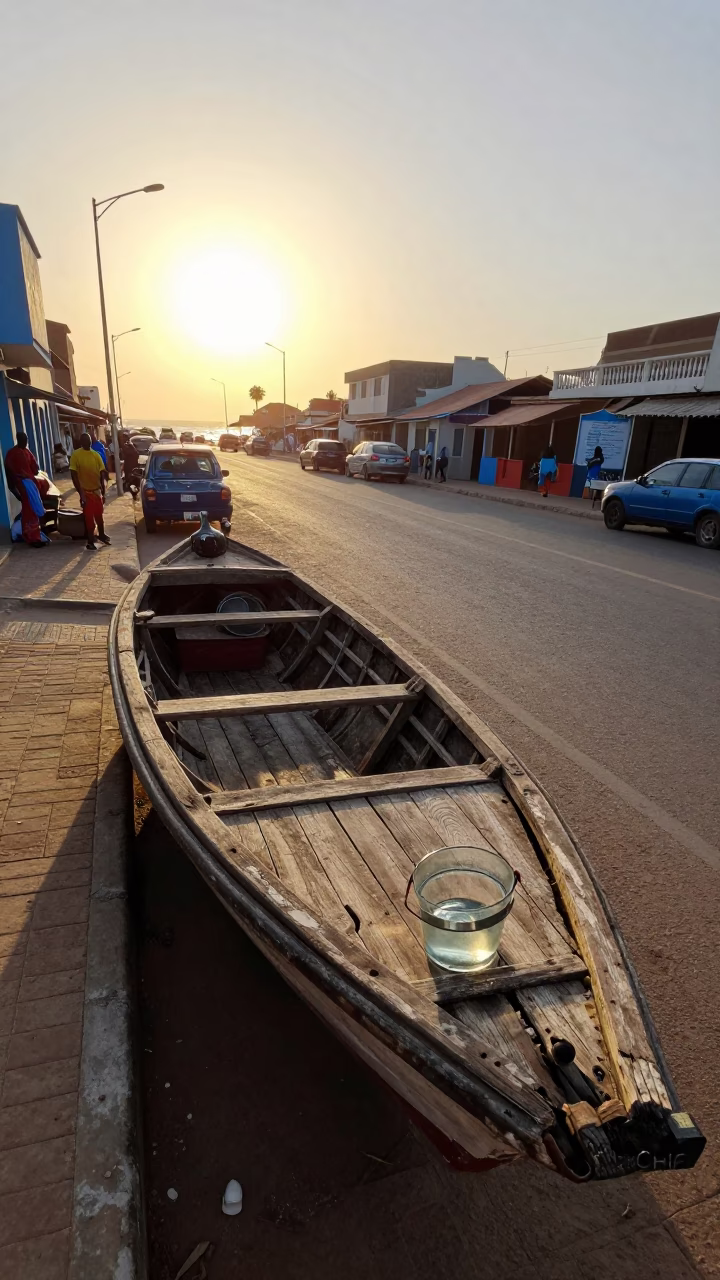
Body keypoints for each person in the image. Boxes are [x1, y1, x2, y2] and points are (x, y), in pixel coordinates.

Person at [4, 432, 50, 547]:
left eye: (26, 440)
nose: (25, 442)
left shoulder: (26, 452)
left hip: (31, 487)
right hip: (22, 487)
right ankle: (32, 539)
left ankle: (35, 536)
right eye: (23, 440)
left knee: (32, 512)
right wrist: (14, 490)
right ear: (18, 440)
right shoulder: (12, 454)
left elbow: (35, 469)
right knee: (29, 513)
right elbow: (9, 472)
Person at [70, 433, 110, 550]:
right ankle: (90, 540)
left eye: (88, 441)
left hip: (96, 491)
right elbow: (74, 475)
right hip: (86, 492)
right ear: (81, 442)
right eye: (85, 441)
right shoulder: (76, 455)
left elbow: (102, 474)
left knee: (99, 516)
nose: (87, 443)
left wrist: (103, 492)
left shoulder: (96, 455)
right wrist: (81, 493)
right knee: (89, 518)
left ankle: (101, 535)